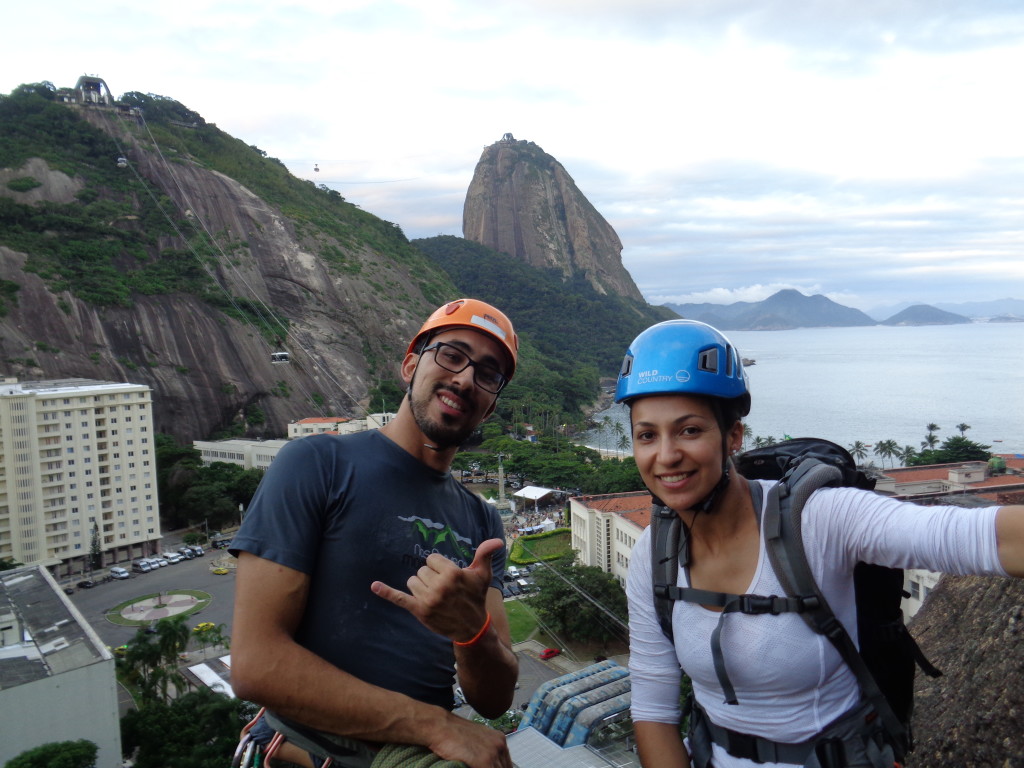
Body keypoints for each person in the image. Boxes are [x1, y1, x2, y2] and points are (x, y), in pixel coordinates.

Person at [617, 319, 1024, 768]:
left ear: (733, 435)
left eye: (690, 430)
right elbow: (654, 707)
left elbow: (974, 537)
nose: (667, 455)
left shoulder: (817, 519)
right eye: (647, 435)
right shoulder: (654, 554)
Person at [230, 299, 521, 768]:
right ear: (410, 365)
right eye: (451, 354)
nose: (466, 378)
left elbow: (494, 699)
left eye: (488, 374)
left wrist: (472, 632)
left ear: (490, 407)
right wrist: (435, 725)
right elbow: (255, 664)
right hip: (309, 752)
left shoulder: (483, 526)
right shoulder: (317, 465)